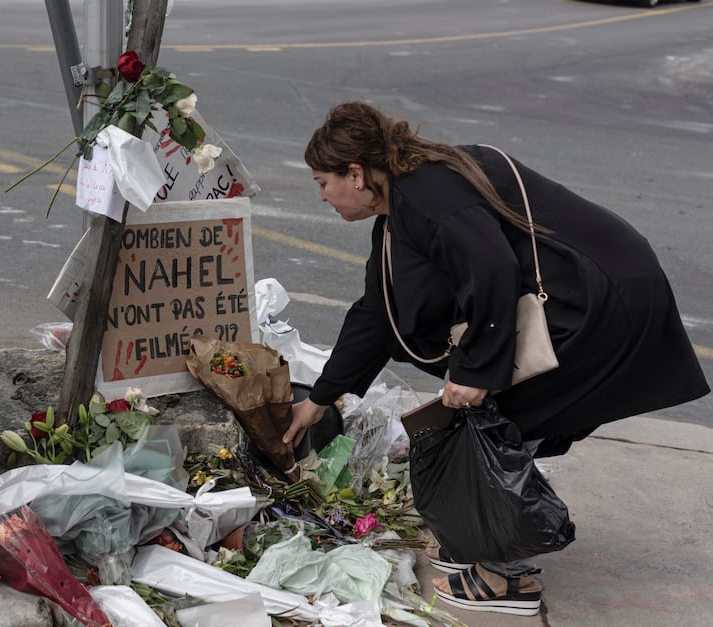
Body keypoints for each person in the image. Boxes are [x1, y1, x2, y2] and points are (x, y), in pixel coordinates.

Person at [281, 100, 710, 616]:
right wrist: (321, 397)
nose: (322, 195)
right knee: (492, 419)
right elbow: (377, 312)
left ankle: (507, 579)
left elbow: (491, 269)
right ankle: (485, 544)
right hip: (592, 290)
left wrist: (476, 370)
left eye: (322, 182)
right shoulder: (405, 201)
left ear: (356, 173)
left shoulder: (428, 196)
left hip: (600, 299)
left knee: (495, 424)